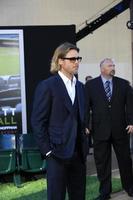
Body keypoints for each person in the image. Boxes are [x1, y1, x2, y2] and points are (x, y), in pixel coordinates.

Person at [31, 42, 87, 200]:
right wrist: (47, 151)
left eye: (78, 58)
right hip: (56, 153)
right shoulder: (47, 86)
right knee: (56, 196)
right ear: (60, 61)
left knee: (78, 196)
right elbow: (37, 121)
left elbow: (80, 116)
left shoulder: (81, 87)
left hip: (78, 153)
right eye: (72, 59)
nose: (77, 62)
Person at [85, 58, 133, 200]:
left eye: (113, 65)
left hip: (121, 129)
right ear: (102, 69)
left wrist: (131, 122)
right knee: (102, 163)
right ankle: (105, 192)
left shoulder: (124, 84)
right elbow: (86, 107)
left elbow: (130, 105)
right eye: (110, 65)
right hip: (100, 130)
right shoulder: (90, 86)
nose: (113, 67)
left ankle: (129, 187)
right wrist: (86, 125)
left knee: (125, 160)